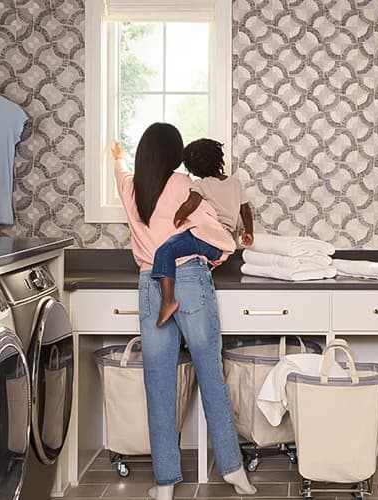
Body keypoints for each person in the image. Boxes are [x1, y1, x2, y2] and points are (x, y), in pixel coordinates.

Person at [112, 123, 256, 500]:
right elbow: (214, 231)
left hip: (150, 283)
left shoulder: (130, 187)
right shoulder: (182, 185)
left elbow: (120, 171)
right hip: (189, 277)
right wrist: (219, 256)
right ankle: (234, 470)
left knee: (158, 382)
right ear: (175, 155)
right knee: (211, 374)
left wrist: (117, 157)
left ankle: (164, 484)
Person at [150, 138, 254, 328]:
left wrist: (178, 216)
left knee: (165, 251)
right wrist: (249, 232)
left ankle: (168, 301)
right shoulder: (235, 184)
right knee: (188, 258)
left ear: (194, 169)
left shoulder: (201, 185)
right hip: (222, 244)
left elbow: (190, 204)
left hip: (208, 239)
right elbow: (245, 210)